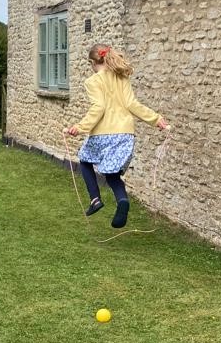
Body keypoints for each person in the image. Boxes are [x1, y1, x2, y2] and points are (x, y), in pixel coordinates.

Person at [63, 44, 169, 228]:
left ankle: (95, 199)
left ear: (92, 63)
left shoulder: (93, 81)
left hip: (103, 133)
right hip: (124, 134)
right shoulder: (122, 77)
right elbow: (132, 104)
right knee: (112, 174)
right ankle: (122, 201)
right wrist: (156, 119)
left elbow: (99, 108)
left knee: (85, 160)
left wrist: (79, 128)